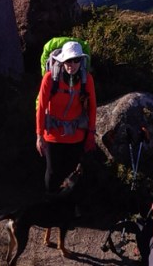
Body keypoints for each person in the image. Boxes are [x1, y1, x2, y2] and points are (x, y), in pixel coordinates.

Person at [35, 40, 97, 197]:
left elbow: (92, 107)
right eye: (69, 60)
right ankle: (50, 204)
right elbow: (41, 108)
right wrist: (39, 135)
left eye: (76, 60)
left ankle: (68, 208)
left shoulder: (86, 79)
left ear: (81, 60)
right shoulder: (50, 78)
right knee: (53, 172)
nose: (72, 64)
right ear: (62, 61)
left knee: (72, 172)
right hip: (53, 135)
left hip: (76, 135)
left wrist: (90, 133)